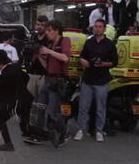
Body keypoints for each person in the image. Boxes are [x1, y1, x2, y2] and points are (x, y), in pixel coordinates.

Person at [74, 18, 118, 142]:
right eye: (95, 26)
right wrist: (84, 62)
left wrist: (103, 64)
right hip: (88, 79)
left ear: (104, 29)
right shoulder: (89, 42)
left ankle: (99, 131)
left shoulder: (110, 44)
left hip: (102, 80)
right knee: (83, 107)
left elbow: (115, 62)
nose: (97, 28)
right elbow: (81, 57)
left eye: (100, 26)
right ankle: (81, 130)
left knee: (101, 108)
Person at [33, 20, 72, 148]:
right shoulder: (50, 44)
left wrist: (49, 52)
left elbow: (65, 58)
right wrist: (39, 56)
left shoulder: (64, 41)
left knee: (52, 112)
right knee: (40, 108)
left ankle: (63, 132)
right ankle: (40, 134)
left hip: (58, 81)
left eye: (49, 30)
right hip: (48, 80)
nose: (47, 33)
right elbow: (48, 66)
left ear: (56, 30)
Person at [0, 49, 28, 151]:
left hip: (16, 101)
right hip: (22, 98)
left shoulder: (6, 73)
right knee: (25, 126)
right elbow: (26, 77)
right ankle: (50, 135)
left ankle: (8, 144)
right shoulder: (14, 67)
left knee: (0, 119)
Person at [21, 15, 51, 141]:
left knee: (40, 105)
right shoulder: (33, 37)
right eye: (37, 24)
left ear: (46, 26)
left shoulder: (49, 40)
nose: (39, 27)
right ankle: (30, 129)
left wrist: (38, 53)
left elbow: (48, 58)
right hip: (31, 73)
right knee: (29, 104)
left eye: (42, 25)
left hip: (43, 75)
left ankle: (40, 131)